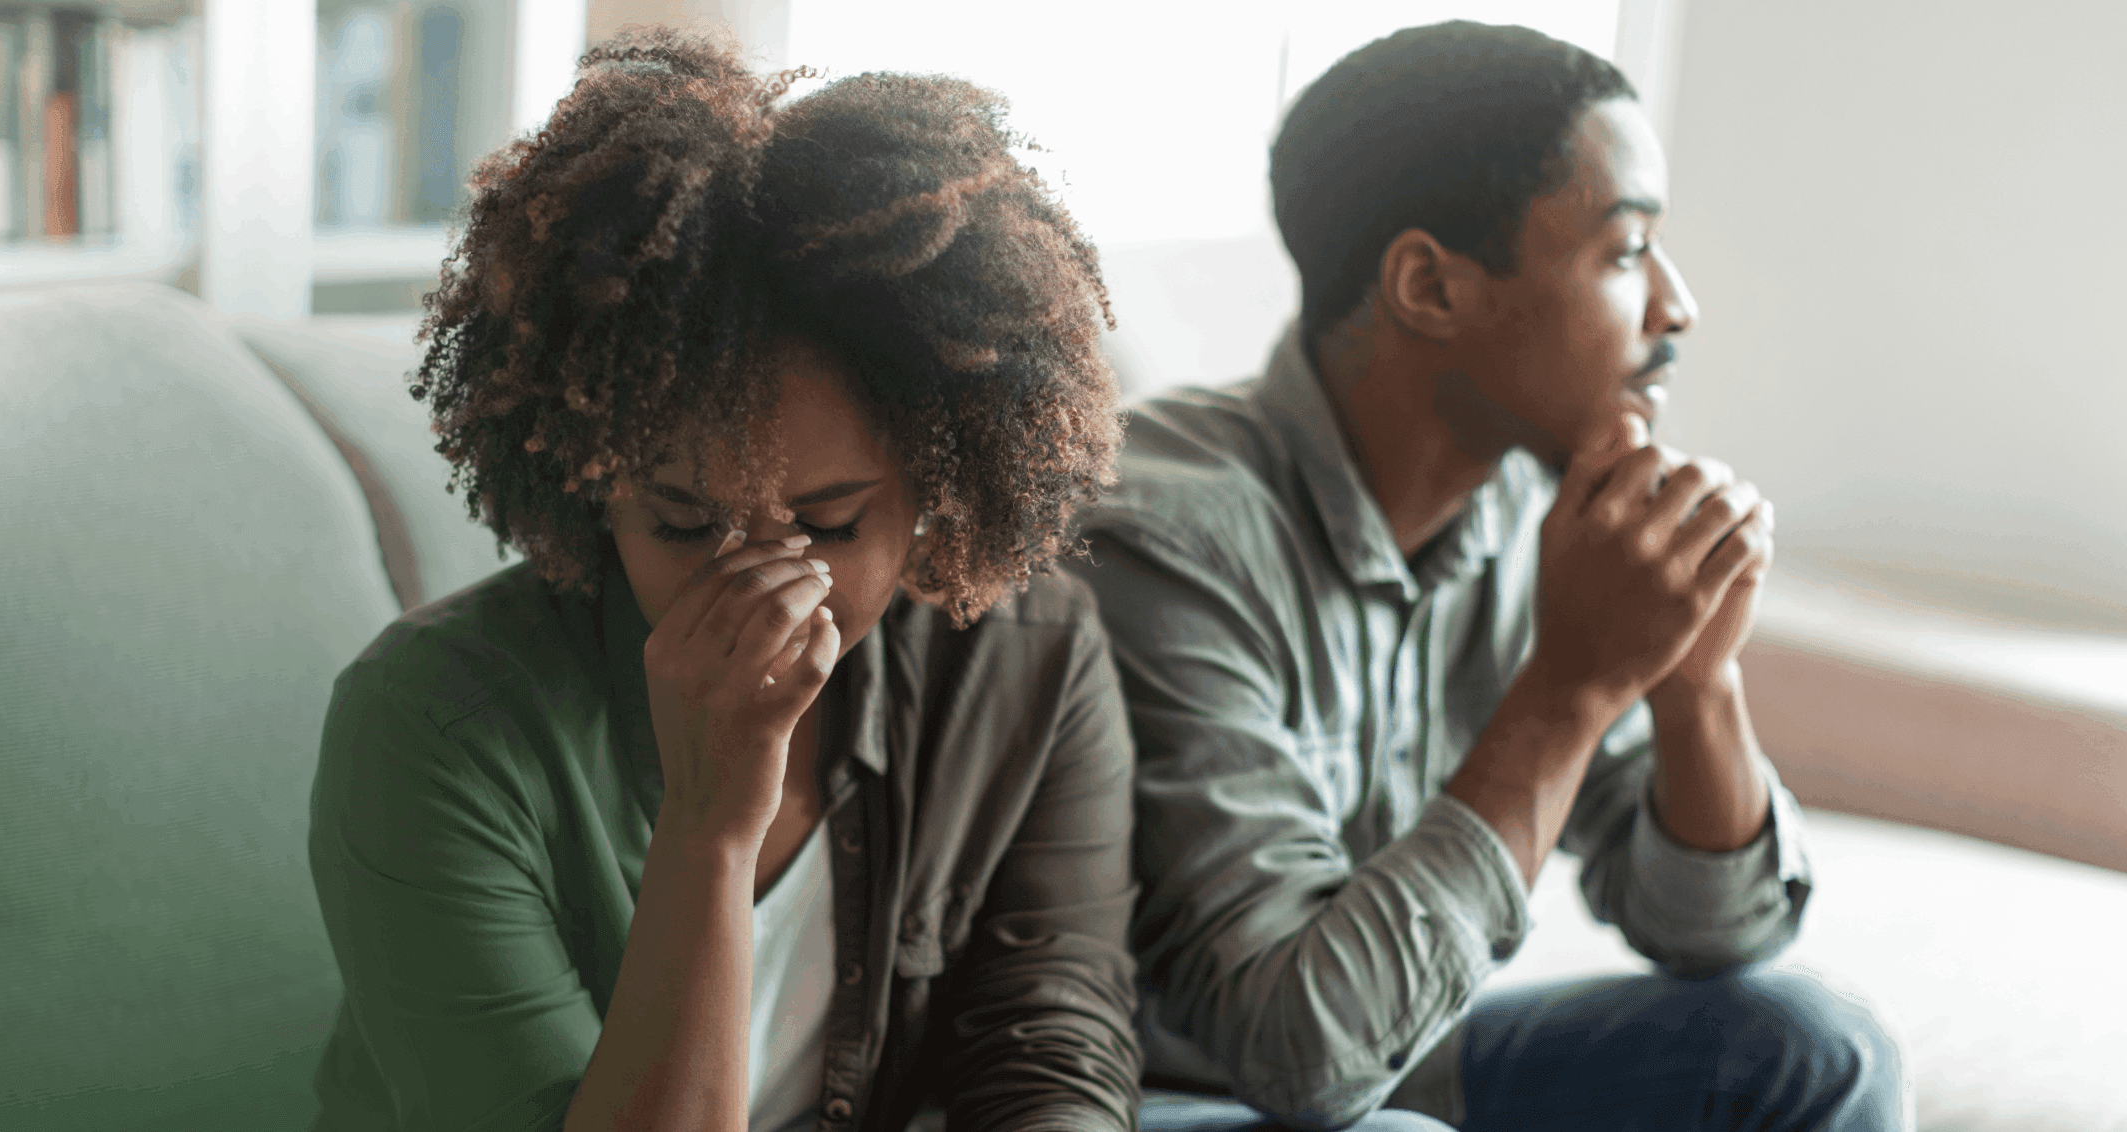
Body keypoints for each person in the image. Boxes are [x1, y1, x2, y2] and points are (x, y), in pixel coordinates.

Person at [1075, 21, 1907, 1132]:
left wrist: (1692, 678)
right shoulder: (1167, 538)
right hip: (1138, 1089)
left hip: (1380, 1053)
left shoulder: (1531, 514)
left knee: (1818, 1053)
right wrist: (1570, 685)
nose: (1676, 305)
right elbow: (1299, 1055)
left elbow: (1717, 935)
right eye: (1624, 251)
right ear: (1429, 285)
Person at [306, 29, 1141, 1132]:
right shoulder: (432, 726)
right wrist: (710, 821)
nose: (761, 586)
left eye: (829, 522)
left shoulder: (1027, 658)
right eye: (684, 521)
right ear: (595, 491)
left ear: (930, 491)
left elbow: (1052, 1046)